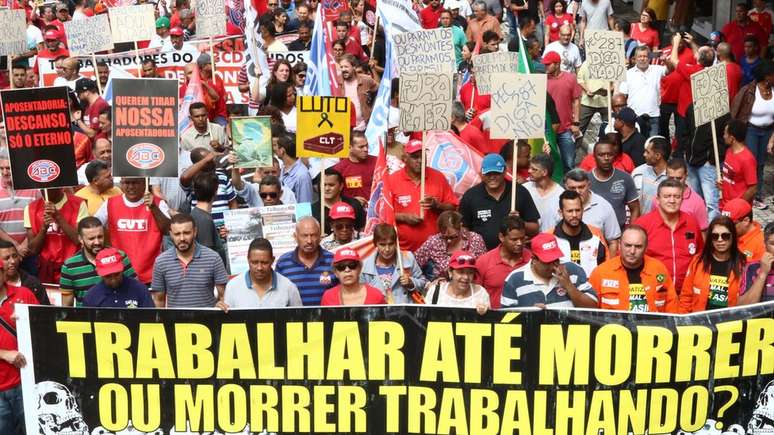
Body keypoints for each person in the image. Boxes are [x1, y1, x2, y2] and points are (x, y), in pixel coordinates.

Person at [385, 139, 458, 252]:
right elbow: (383, 214)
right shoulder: (392, 180)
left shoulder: (438, 177)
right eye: (415, 157)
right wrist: (404, 217)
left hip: (435, 251)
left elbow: (453, 208)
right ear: (405, 158)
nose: (420, 161)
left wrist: (437, 205)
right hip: (403, 251)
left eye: (422, 157)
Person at [96, 178, 171, 285]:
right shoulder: (110, 203)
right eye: (127, 183)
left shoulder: (158, 203)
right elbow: (93, 227)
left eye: (135, 182)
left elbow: (168, 230)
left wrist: (153, 207)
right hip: (120, 275)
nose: (130, 187)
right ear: (121, 183)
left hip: (152, 275)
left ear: (144, 184)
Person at [589, 225, 679, 312]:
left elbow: (672, 306)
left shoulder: (659, 269)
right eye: (628, 245)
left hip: (652, 326)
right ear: (620, 245)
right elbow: (589, 312)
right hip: (614, 326)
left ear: (646, 247)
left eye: (638, 246)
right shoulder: (601, 273)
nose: (632, 251)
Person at [634, 178, 704, 291]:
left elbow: (700, 256)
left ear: (682, 199)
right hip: (653, 292)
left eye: (677, 197)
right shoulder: (642, 225)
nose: (672, 201)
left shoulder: (691, 222)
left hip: (687, 293)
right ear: (657, 199)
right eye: (667, 196)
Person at [151, 214, 229, 308]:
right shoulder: (161, 262)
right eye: (177, 234)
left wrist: (218, 307)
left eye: (186, 233)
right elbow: (159, 301)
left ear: (195, 232)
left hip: (207, 321)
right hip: (175, 321)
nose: (182, 238)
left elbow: (224, 296)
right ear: (171, 234)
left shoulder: (213, 258)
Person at [501, 232, 598, 308]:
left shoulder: (573, 270)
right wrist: (528, 315)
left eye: (556, 259)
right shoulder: (515, 279)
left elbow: (593, 307)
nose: (554, 265)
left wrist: (569, 286)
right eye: (548, 261)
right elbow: (504, 320)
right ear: (534, 259)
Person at [59, 217, 135, 307]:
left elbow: (135, 290)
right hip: (87, 318)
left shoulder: (120, 256)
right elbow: (67, 307)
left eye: (100, 237)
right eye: (91, 239)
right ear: (80, 239)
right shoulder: (69, 266)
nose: (97, 242)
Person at [730, 61, 774, 210]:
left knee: (761, 163)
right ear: (767, 76)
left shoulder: (773, 91)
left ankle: (757, 193)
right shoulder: (748, 90)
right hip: (751, 130)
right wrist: (732, 132)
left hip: (768, 131)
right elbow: (735, 111)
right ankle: (749, 192)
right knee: (751, 162)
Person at [0, 258, 37, 434]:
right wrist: (3, 354)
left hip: (26, 382)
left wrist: (28, 319)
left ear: (3, 274)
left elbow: (43, 329)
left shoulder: (24, 294)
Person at [680, 216, 746, 312]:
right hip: (700, 321)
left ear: (733, 237)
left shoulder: (743, 264)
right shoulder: (698, 261)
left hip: (730, 323)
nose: (720, 240)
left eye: (725, 236)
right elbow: (686, 296)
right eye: (715, 236)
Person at [25, 188, 87, 284]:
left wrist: (58, 217)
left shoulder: (78, 204)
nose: (43, 190)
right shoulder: (31, 208)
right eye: (41, 188)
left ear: (60, 187)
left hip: (74, 264)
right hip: (46, 268)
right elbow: (33, 249)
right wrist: (44, 228)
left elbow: (79, 240)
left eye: (48, 188)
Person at [219, 238, 302, 309]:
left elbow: (300, 318)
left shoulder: (288, 287)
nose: (259, 268)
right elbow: (227, 319)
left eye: (264, 262)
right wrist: (217, 313)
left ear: (272, 260)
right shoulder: (233, 287)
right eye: (254, 262)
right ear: (248, 260)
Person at [275, 217, 336, 305]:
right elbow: (278, 296)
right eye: (304, 235)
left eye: (313, 235)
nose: (309, 241)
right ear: (295, 237)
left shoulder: (333, 260)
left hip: (327, 317)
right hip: (295, 318)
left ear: (320, 237)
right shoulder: (283, 262)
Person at [360, 224, 426, 304]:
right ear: (375, 244)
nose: (387, 249)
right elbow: (361, 295)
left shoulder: (407, 258)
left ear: (396, 243)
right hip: (378, 313)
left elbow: (423, 282)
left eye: (390, 244)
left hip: (404, 312)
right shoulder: (365, 266)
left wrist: (411, 282)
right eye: (382, 245)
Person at [474, 216, 531, 308]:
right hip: (493, 319)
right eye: (514, 239)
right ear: (501, 237)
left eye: (522, 238)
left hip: (525, 319)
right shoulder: (483, 262)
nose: (519, 243)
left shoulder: (531, 260)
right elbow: (474, 293)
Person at [563, 169, 621, 255]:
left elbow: (613, 241)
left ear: (589, 185)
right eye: (572, 188)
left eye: (581, 187)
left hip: (596, 263)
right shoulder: (558, 205)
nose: (577, 192)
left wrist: (609, 266)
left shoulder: (604, 206)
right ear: (565, 187)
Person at [416, 211, 487, 281]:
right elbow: (415, 263)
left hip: (470, 283)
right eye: (445, 237)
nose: (448, 241)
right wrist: (427, 283)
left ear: (461, 226)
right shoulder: (433, 242)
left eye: (453, 237)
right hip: (443, 287)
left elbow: (484, 266)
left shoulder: (475, 239)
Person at [551, 190, 608, 277]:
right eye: (570, 211)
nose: (574, 215)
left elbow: (605, 266)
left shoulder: (596, 234)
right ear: (561, 213)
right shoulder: (550, 236)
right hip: (560, 288)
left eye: (577, 210)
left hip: (590, 288)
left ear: (583, 210)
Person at [588, 139, 640, 228]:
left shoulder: (625, 178)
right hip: (592, 233)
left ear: (615, 156)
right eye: (601, 155)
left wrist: (630, 231)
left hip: (620, 231)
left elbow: (635, 208)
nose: (606, 158)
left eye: (610, 154)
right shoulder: (586, 179)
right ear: (594, 157)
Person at [544, 51, 582, 172]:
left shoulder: (570, 78)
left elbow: (576, 101)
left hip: (566, 129)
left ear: (557, 64)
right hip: (547, 131)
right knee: (547, 165)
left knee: (569, 163)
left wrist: (576, 123)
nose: (545, 67)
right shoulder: (542, 80)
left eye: (548, 64)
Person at [0, 151, 40, 265]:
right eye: (1, 168)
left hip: (30, 252)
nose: (4, 172)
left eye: (8, 168)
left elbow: (39, 221)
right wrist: (16, 246)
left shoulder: (33, 189)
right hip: (4, 254)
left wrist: (24, 245)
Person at [82, 248, 154, 308]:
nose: (113, 279)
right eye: (108, 276)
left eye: (116, 274)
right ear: (99, 273)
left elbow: (151, 321)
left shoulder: (140, 290)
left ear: (122, 269)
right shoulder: (91, 296)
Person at [620, 46, 667, 138]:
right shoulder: (628, 73)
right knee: (637, 143)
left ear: (649, 57)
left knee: (652, 145)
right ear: (635, 58)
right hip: (635, 116)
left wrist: (666, 61)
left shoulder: (657, 69)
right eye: (640, 56)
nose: (642, 59)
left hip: (653, 115)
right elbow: (623, 95)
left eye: (645, 56)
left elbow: (671, 69)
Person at [425, 251, 489, 313]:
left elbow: (488, 321)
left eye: (470, 272)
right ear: (450, 272)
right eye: (461, 272)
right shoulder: (435, 291)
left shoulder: (480, 293)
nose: (466, 277)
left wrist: (485, 312)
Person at [321, 248, 386, 306]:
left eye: (352, 265)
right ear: (335, 272)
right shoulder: (328, 297)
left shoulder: (376, 295)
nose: (347, 270)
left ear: (360, 269)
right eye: (341, 267)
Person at [659, 157, 709, 231]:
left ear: (686, 175)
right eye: (671, 178)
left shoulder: (697, 202)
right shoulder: (658, 199)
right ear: (666, 175)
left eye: (679, 178)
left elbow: (703, 232)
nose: (675, 182)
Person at [312, 168, 366, 234]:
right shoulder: (311, 210)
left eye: (331, 185)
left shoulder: (354, 204)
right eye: (324, 185)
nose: (327, 188)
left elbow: (363, 230)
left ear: (341, 186)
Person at [718, 119, 758, 208]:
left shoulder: (747, 159)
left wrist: (738, 206)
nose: (724, 136)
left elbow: (752, 188)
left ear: (732, 138)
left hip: (737, 209)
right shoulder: (728, 151)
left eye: (725, 133)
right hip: (725, 204)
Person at [332, 131, 376, 206]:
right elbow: (332, 195)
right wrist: (351, 201)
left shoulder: (377, 162)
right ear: (350, 147)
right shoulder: (339, 169)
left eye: (366, 145)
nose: (365, 149)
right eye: (361, 147)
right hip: (351, 211)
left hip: (375, 212)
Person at [523, 153, 565, 232]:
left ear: (544, 172)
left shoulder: (561, 194)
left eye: (534, 169)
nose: (529, 171)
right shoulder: (525, 189)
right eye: (529, 168)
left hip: (551, 240)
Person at [0, 241, 48, 305]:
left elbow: (45, 312)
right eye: (6, 258)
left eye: (15, 256)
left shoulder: (33, 284)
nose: (13, 261)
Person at [338, 54, 378, 131]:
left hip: (364, 127)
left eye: (346, 67)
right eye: (341, 67)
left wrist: (372, 108)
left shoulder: (366, 80)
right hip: (344, 128)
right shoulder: (336, 83)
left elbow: (380, 92)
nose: (343, 69)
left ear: (354, 67)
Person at [632, 136, 670, 215]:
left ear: (658, 156)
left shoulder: (673, 177)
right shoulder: (638, 172)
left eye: (647, 152)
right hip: (642, 224)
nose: (644, 154)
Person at [740, 222, 774, 303]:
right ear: (765, 244)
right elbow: (745, 307)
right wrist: (763, 274)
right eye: (773, 244)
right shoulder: (752, 268)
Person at [277, 134, 314, 204]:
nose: (275, 149)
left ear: (282, 150)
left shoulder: (302, 175)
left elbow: (304, 205)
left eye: (277, 147)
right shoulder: (283, 168)